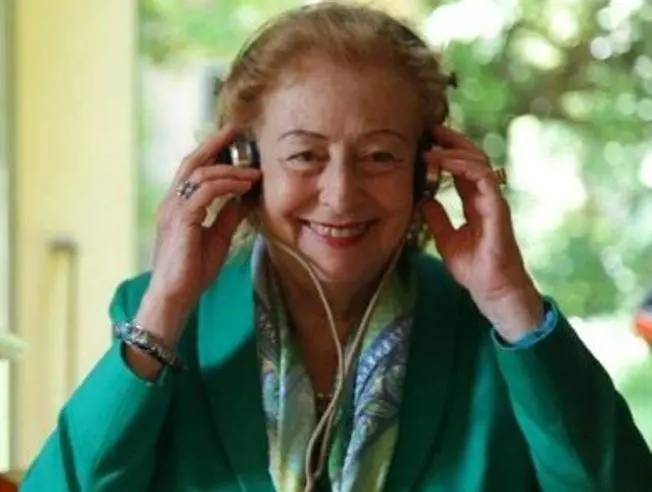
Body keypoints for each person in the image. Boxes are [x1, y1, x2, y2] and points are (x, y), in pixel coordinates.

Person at [21, 3, 652, 491]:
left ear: (425, 169)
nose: (341, 195)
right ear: (242, 163)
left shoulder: (497, 331)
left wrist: (511, 300)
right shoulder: (161, 318)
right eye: (305, 155)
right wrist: (165, 304)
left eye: (379, 156)